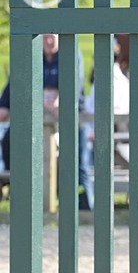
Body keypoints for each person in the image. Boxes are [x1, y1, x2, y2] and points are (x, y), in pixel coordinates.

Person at [0, 33, 94, 210]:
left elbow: (75, 87)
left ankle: (85, 206)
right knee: (11, 141)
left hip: (70, 116)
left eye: (52, 37)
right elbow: (15, 87)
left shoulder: (71, 54)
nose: (48, 41)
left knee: (79, 160)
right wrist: (5, 104)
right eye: (45, 38)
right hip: (35, 119)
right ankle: (17, 193)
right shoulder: (32, 56)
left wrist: (60, 100)